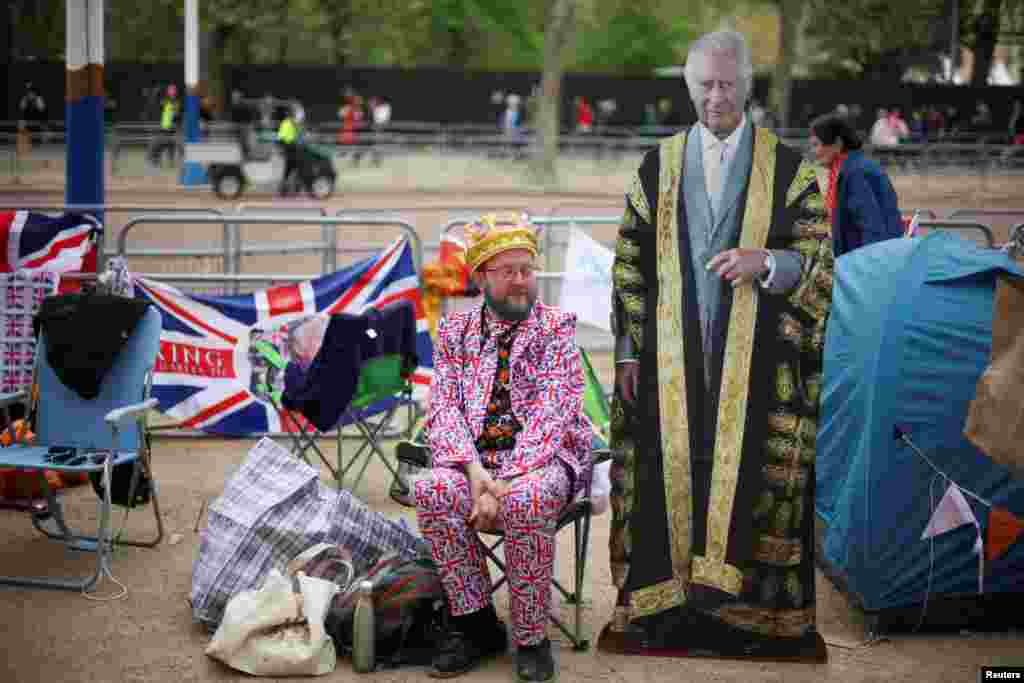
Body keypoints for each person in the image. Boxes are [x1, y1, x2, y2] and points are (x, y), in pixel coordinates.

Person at [602, 29, 833, 662]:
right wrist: (627, 351)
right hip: (668, 368)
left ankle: (750, 621)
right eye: (704, 84)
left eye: (727, 83)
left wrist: (770, 262)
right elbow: (627, 263)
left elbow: (819, 261)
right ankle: (666, 613)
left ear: (747, 86)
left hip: (758, 368)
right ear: (689, 86)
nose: (715, 96)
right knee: (667, 478)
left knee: (752, 483)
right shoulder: (658, 165)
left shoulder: (789, 170)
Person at [413, 215, 591, 681]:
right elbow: (444, 410)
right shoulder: (455, 333)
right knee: (432, 488)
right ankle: (476, 626)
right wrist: (475, 476)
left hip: (542, 461)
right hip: (475, 466)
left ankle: (531, 639)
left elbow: (555, 412)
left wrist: (503, 485)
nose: (519, 281)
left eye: (526, 270)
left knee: (527, 498)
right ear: (481, 277)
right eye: (507, 271)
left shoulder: (556, 329)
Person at [809, 113, 904, 259]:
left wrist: (865, 269)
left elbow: (871, 226)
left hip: (870, 263)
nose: (813, 152)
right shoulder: (848, 168)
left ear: (837, 144)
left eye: (816, 144)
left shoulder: (855, 172)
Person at [148, 84, 179, 167]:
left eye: (173, 90)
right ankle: (156, 160)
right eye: (170, 90)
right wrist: (155, 93)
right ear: (168, 92)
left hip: (172, 127)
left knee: (170, 144)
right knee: (159, 144)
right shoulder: (165, 100)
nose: (172, 92)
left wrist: (175, 115)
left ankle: (170, 161)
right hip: (164, 126)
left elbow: (176, 114)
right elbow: (156, 104)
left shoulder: (176, 102)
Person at [276, 105, 302, 196]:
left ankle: (291, 188)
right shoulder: (286, 123)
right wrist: (285, 147)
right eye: (293, 112)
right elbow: (280, 138)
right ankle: (285, 189)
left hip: (294, 148)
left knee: (292, 169)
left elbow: (298, 136)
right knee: (290, 169)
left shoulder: (294, 123)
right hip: (290, 148)